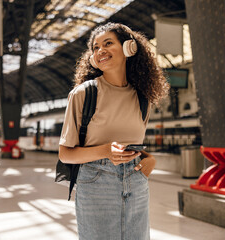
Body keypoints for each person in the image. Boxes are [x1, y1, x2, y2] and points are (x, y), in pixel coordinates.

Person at [58, 22, 169, 240]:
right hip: (96, 181)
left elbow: (131, 145)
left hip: (136, 180)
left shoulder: (143, 97)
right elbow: (65, 154)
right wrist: (106, 151)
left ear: (129, 48)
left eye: (108, 43)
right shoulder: (83, 94)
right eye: (96, 47)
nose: (100, 51)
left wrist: (150, 159)